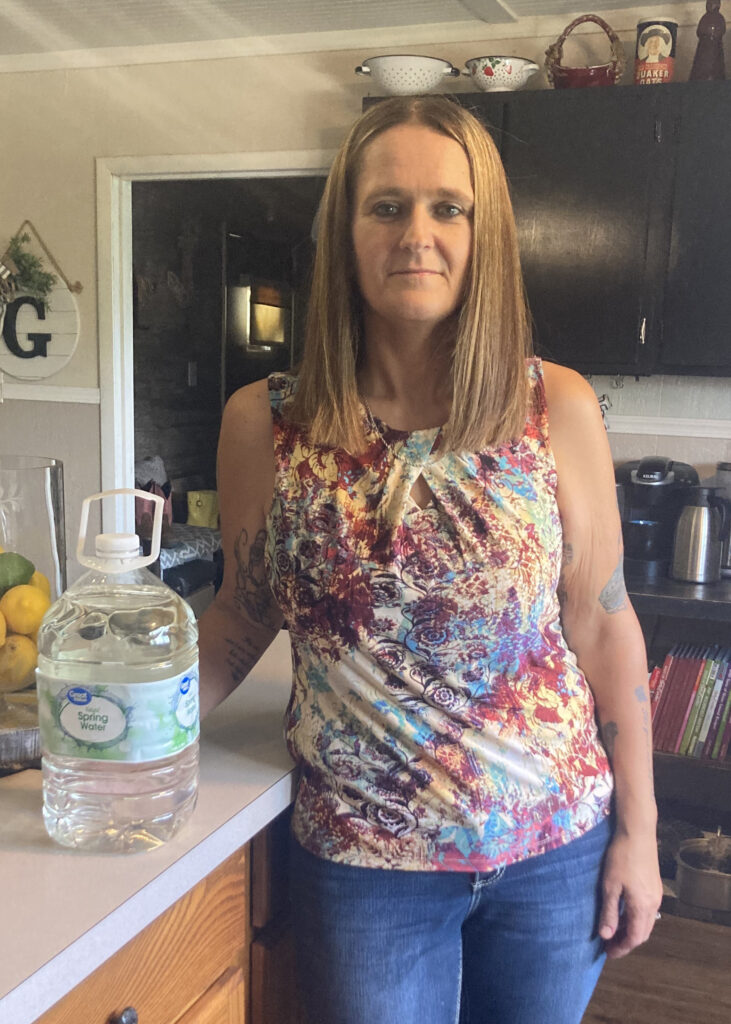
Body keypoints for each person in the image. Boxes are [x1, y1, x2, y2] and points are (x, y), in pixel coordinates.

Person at [198, 95, 662, 1024]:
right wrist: (126, 739)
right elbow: (242, 613)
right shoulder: (268, 422)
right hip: (365, 866)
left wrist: (640, 834)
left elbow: (603, 622)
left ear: (484, 236)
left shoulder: (556, 406)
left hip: (554, 847)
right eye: (387, 206)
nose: (418, 233)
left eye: (448, 207)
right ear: (345, 233)